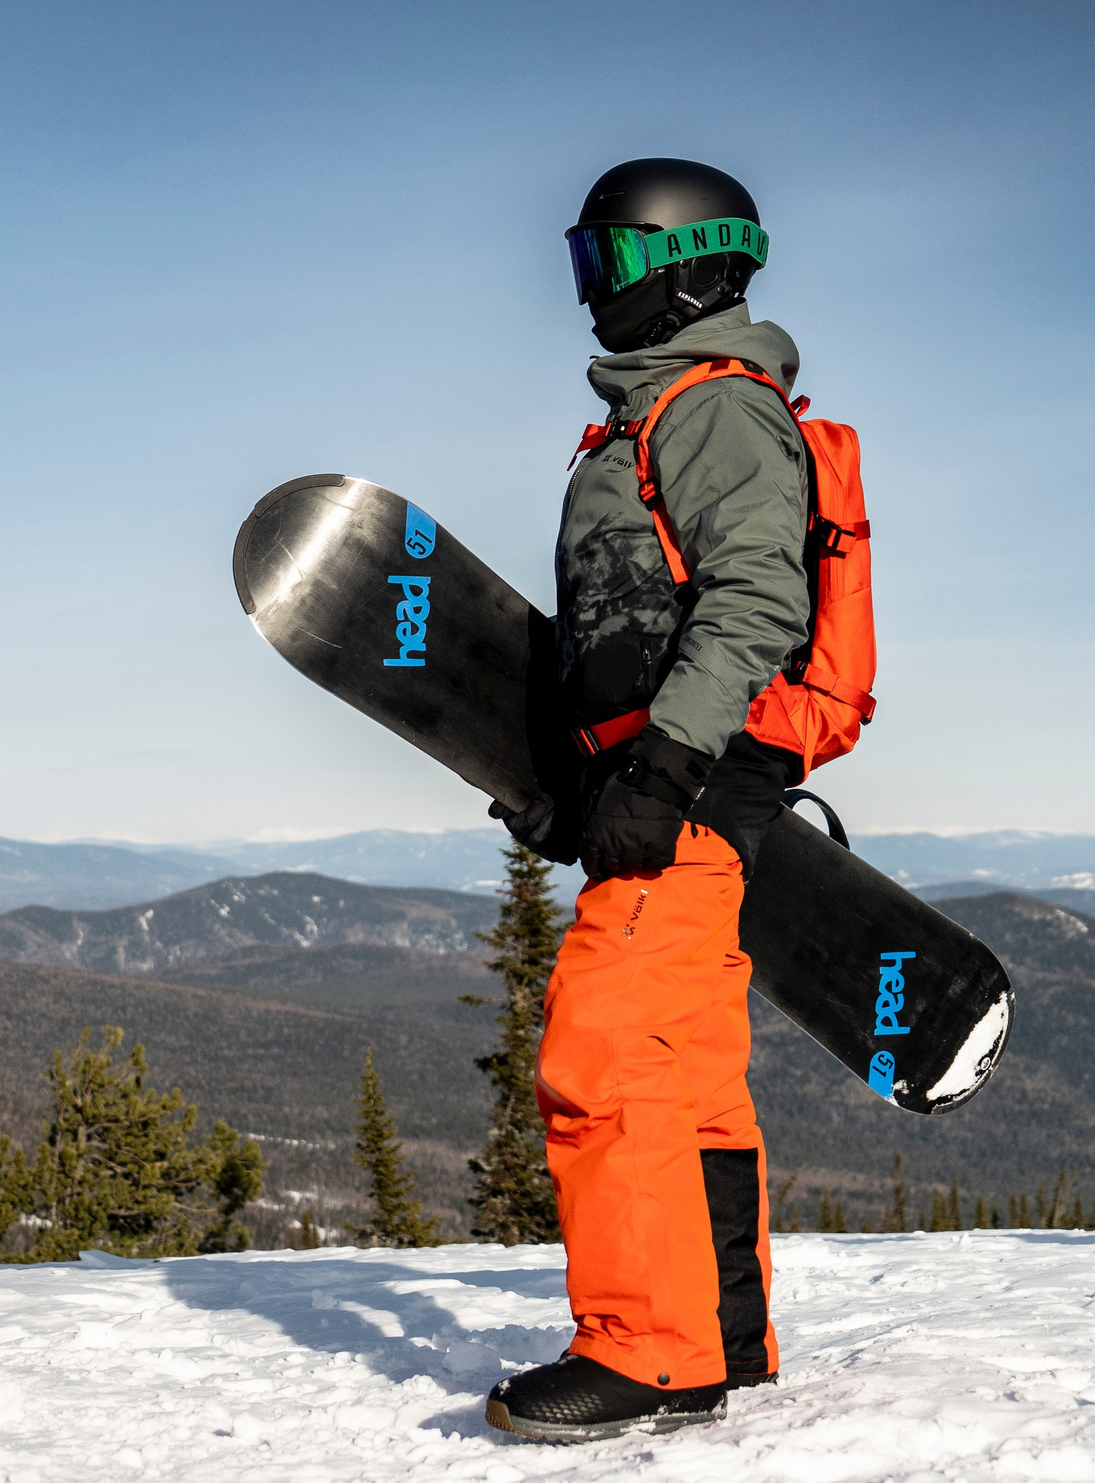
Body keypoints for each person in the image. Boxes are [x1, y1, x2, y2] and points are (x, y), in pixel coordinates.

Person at [484, 158, 811, 1443]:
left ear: (690, 266)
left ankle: (646, 1353)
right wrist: (583, 783)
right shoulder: (653, 414)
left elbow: (753, 601)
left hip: (689, 781)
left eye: (607, 263)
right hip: (670, 777)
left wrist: (664, 767)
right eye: (582, 263)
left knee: (606, 1060)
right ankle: (721, 1336)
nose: (587, 295)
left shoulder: (712, 408)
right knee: (686, 1077)